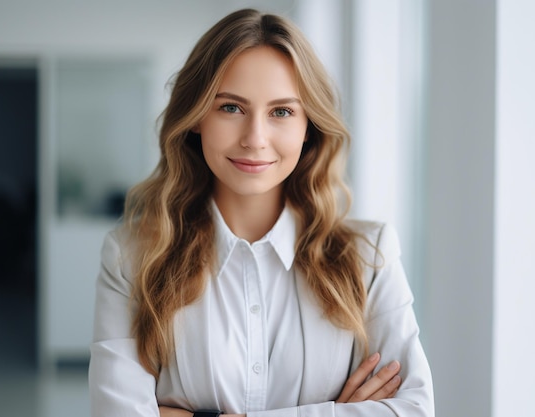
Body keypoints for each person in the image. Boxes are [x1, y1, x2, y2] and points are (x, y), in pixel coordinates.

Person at [89, 8, 434, 417]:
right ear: (197, 117)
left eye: (282, 112)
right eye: (231, 108)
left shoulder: (369, 257)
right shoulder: (132, 255)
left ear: (310, 126)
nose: (255, 139)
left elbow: (412, 410)